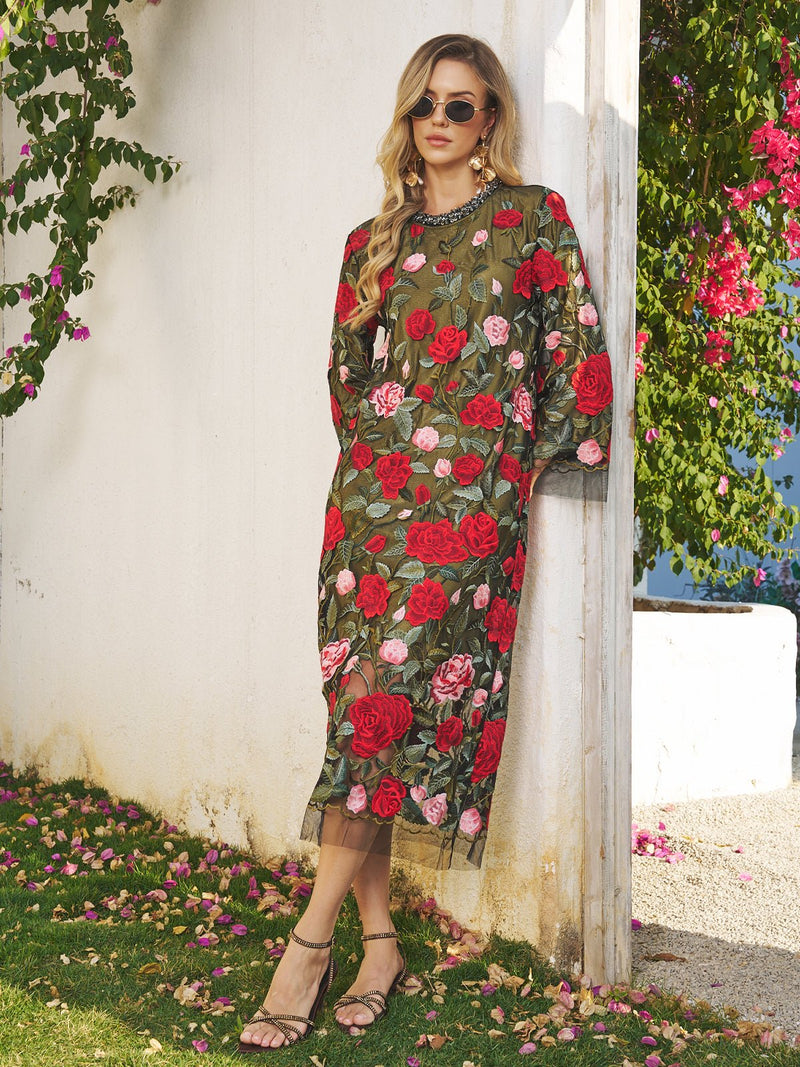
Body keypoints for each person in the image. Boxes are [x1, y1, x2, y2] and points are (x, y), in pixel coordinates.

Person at [237, 32, 612, 1053]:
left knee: (379, 719)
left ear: (489, 119)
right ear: (406, 117)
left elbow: (577, 355)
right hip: (369, 512)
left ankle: (305, 948)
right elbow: (346, 377)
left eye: (460, 105)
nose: (439, 122)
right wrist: (383, 458)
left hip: (466, 523)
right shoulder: (370, 241)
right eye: (424, 105)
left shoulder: (531, 220)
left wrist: (508, 473)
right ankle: (378, 944)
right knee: (359, 721)